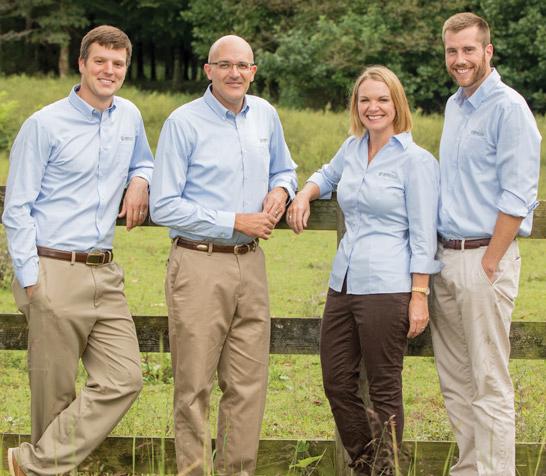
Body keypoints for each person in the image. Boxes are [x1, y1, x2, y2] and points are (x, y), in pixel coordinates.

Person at [3, 25, 154, 476]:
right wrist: (32, 281)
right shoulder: (44, 125)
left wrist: (141, 179)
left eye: (118, 63)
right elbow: (17, 207)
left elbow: (144, 160)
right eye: (100, 61)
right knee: (54, 397)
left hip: (105, 272)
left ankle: (29, 465)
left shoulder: (129, 116)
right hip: (52, 268)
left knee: (125, 378)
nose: (109, 70)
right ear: (82, 64)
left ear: (125, 68)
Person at [149, 35, 297, 476]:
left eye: (243, 65)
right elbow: (164, 205)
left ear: (253, 71)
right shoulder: (183, 122)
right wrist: (234, 220)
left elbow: (285, 168)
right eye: (225, 65)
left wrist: (281, 189)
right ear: (208, 70)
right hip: (199, 262)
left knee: (248, 385)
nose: (235, 73)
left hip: (251, 263)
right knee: (194, 384)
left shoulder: (265, 115)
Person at [287, 65, 441, 475]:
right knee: (337, 381)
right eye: (365, 100)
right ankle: (367, 464)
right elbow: (326, 174)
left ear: (397, 103)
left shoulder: (416, 162)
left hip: (388, 287)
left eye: (382, 99)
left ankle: (384, 470)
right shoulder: (352, 148)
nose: (374, 107)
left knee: (385, 388)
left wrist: (419, 295)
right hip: (344, 283)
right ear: (356, 105)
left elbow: (424, 235)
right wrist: (304, 194)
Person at [430, 12, 541, 476]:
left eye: (469, 50)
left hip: (483, 259)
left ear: (487, 51)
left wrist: (490, 261)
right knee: (456, 383)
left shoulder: (508, 108)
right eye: (452, 51)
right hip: (445, 259)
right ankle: (469, 470)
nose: (460, 59)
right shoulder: (455, 106)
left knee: (489, 382)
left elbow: (519, 193)